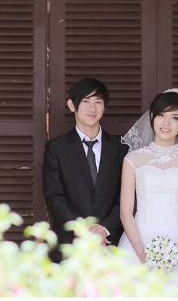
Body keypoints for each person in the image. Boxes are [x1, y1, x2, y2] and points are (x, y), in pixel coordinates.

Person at [115, 88, 178, 282]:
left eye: (175, 118)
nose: (166, 123)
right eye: (161, 115)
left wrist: (176, 254)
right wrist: (142, 254)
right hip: (138, 240)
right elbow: (125, 212)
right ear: (152, 117)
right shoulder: (133, 159)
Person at [42, 77, 128, 263]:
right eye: (86, 101)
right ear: (72, 105)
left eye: (98, 102)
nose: (92, 108)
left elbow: (127, 196)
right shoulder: (56, 148)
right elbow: (54, 196)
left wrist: (103, 229)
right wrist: (85, 230)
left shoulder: (121, 148)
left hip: (110, 241)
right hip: (69, 243)